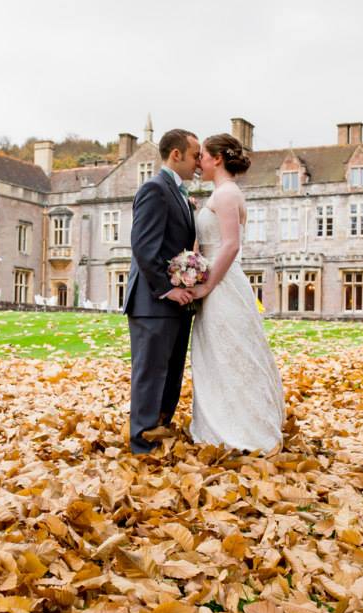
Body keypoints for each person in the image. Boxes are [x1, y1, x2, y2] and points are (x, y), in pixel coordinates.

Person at [188, 133, 285, 453]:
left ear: (217, 159)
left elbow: (230, 245)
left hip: (223, 284)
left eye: (201, 155)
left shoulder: (227, 194)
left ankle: (242, 430)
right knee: (217, 354)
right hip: (219, 280)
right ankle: (218, 423)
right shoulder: (221, 194)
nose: (198, 162)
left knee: (230, 353)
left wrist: (207, 284)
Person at [123, 129, 201, 454]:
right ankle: (142, 445)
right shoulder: (154, 189)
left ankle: (160, 432)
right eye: (196, 155)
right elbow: (143, 247)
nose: (200, 162)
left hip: (175, 303)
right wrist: (167, 290)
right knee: (150, 375)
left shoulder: (180, 194)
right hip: (152, 302)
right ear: (176, 155)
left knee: (170, 375)